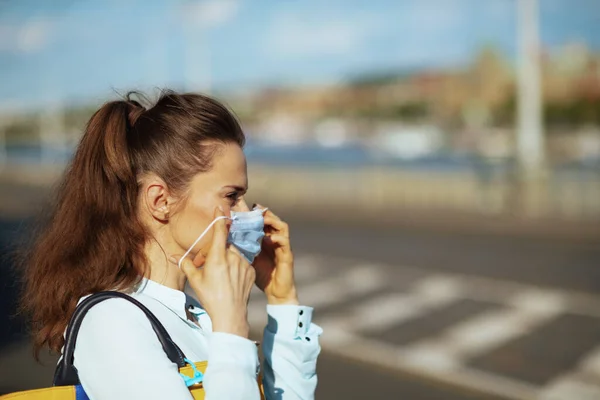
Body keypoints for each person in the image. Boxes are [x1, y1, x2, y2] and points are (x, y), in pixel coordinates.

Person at [20, 91, 322, 399]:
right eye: (231, 196)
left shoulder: (194, 314)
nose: (247, 213)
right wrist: (231, 327)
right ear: (160, 201)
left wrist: (282, 299)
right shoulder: (111, 322)